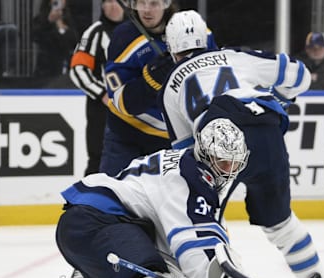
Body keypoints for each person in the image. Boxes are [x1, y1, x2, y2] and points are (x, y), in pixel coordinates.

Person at [13, 119, 284, 278]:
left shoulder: (185, 165)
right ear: (204, 153)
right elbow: (193, 246)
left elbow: (199, 239)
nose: (229, 171)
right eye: (222, 162)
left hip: (94, 223)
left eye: (234, 164)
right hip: (97, 221)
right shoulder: (190, 177)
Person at [159, 10, 324, 278]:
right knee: (280, 223)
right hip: (266, 131)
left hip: (219, 135)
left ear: (172, 48)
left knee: (204, 222)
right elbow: (300, 75)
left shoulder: (171, 86)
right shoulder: (236, 57)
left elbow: (184, 150)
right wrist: (280, 97)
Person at [100, 0, 216, 175]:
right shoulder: (124, 37)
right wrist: (149, 83)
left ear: (166, 4)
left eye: (153, 3)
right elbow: (122, 102)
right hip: (128, 136)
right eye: (141, 3)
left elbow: (213, 80)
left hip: (176, 139)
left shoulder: (197, 31)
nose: (146, 10)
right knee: (111, 197)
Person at [68, 0, 125, 175]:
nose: (113, 6)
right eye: (108, 1)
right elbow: (78, 70)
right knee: (99, 160)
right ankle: (89, 202)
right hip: (102, 111)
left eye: (117, 1)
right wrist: (102, 94)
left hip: (133, 108)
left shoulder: (138, 33)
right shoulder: (95, 32)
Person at [32, 0, 79, 83]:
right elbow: (35, 37)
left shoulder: (71, 19)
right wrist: (48, 21)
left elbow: (74, 42)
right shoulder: (41, 19)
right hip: (46, 69)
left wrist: (61, 26)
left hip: (66, 70)